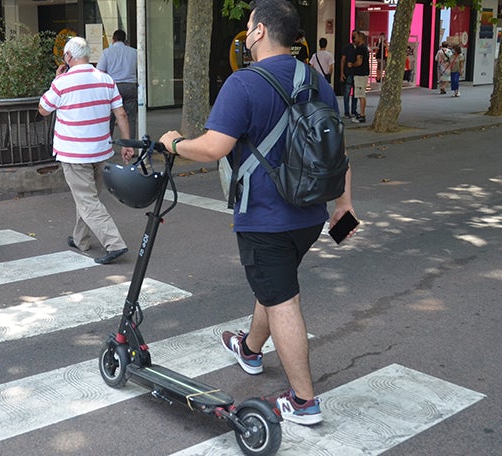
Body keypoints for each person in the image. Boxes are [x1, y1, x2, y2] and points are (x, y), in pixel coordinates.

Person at [158, 0, 357, 426]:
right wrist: (344, 204)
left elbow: (213, 148)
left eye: (248, 27)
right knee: (276, 283)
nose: (245, 35)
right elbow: (337, 149)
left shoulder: (243, 84)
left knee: (283, 298)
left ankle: (304, 402)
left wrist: (174, 143)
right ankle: (249, 349)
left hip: (265, 216)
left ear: (261, 31)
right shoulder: (317, 82)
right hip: (311, 215)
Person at [39, 37, 133, 265]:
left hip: (73, 153)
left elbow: (43, 110)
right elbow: (121, 114)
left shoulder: (62, 82)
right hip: (101, 151)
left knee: (87, 200)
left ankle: (114, 243)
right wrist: (127, 143)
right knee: (88, 197)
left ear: (68, 57)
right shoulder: (106, 79)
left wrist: (56, 80)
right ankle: (81, 239)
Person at [96, 30, 138, 141]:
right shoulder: (134, 52)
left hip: (113, 87)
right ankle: (130, 144)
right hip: (130, 86)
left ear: (113, 39)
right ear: (125, 40)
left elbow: (99, 72)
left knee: (110, 117)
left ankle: (107, 143)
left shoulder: (106, 52)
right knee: (130, 118)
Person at [348, 32, 370, 123]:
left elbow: (359, 62)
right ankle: (361, 114)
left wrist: (352, 65)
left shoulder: (360, 49)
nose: (354, 39)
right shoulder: (364, 48)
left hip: (360, 74)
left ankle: (362, 115)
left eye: (355, 37)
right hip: (363, 73)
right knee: (360, 94)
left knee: (361, 95)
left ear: (360, 38)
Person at [340, 31, 358, 118]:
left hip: (357, 72)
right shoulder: (347, 47)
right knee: (347, 92)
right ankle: (347, 111)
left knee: (355, 92)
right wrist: (342, 73)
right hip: (349, 72)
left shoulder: (359, 47)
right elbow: (343, 60)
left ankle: (353, 110)